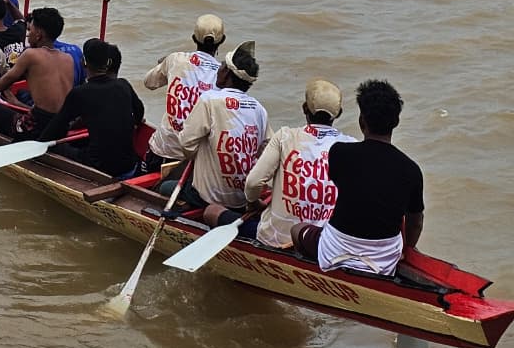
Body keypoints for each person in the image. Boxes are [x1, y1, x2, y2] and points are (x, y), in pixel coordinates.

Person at [293, 80, 423, 277]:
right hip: (384, 262)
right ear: (396, 122)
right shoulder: (412, 170)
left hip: (334, 252)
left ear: (362, 121)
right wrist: (407, 250)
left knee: (297, 229)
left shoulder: (339, 153)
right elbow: (416, 222)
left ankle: (310, 278)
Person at [207, 79, 355, 245]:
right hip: (320, 244)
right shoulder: (352, 145)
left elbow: (253, 183)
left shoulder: (285, 136)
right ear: (339, 113)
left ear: (304, 108)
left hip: (276, 238)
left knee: (211, 211)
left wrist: (253, 203)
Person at [172, 41, 268, 212]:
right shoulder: (260, 110)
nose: (219, 69)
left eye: (223, 66)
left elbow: (186, 144)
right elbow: (265, 150)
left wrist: (203, 156)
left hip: (209, 198)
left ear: (227, 74)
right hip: (241, 199)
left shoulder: (209, 100)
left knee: (165, 187)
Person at [0, 6, 75, 138]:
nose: (27, 34)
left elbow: (2, 84)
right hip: (62, 125)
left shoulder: (31, 54)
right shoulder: (68, 58)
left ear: (39, 34)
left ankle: (4, 140)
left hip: (39, 127)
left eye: (30, 30)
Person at [39, 38, 145, 178]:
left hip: (100, 167)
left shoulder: (80, 93)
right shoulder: (123, 84)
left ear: (83, 62)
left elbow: (54, 131)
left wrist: (41, 143)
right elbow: (140, 112)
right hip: (129, 165)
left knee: (57, 147)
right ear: (108, 63)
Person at [142, 15, 224, 171]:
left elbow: (149, 83)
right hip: (195, 160)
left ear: (194, 38)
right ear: (222, 40)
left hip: (162, 150)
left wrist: (166, 65)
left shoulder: (175, 59)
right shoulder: (224, 76)